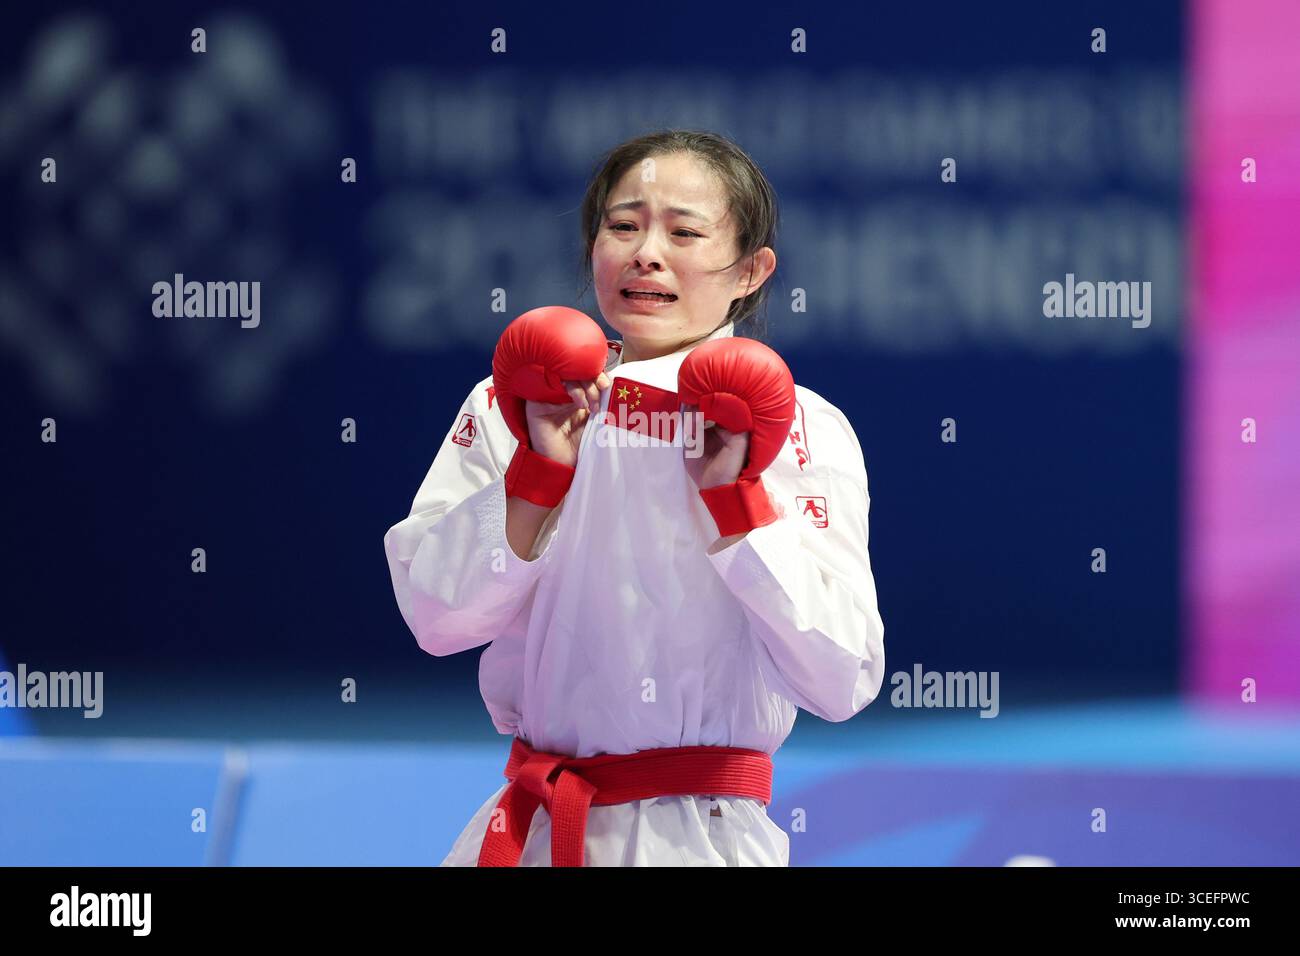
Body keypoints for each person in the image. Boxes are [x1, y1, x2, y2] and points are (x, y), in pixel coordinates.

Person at [383, 130, 886, 866]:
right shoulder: (515, 401)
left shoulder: (799, 425)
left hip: (704, 839)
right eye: (623, 226)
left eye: (684, 231)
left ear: (752, 269)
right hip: (537, 828)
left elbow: (844, 680)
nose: (646, 252)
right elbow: (435, 619)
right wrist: (536, 480)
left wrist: (738, 509)